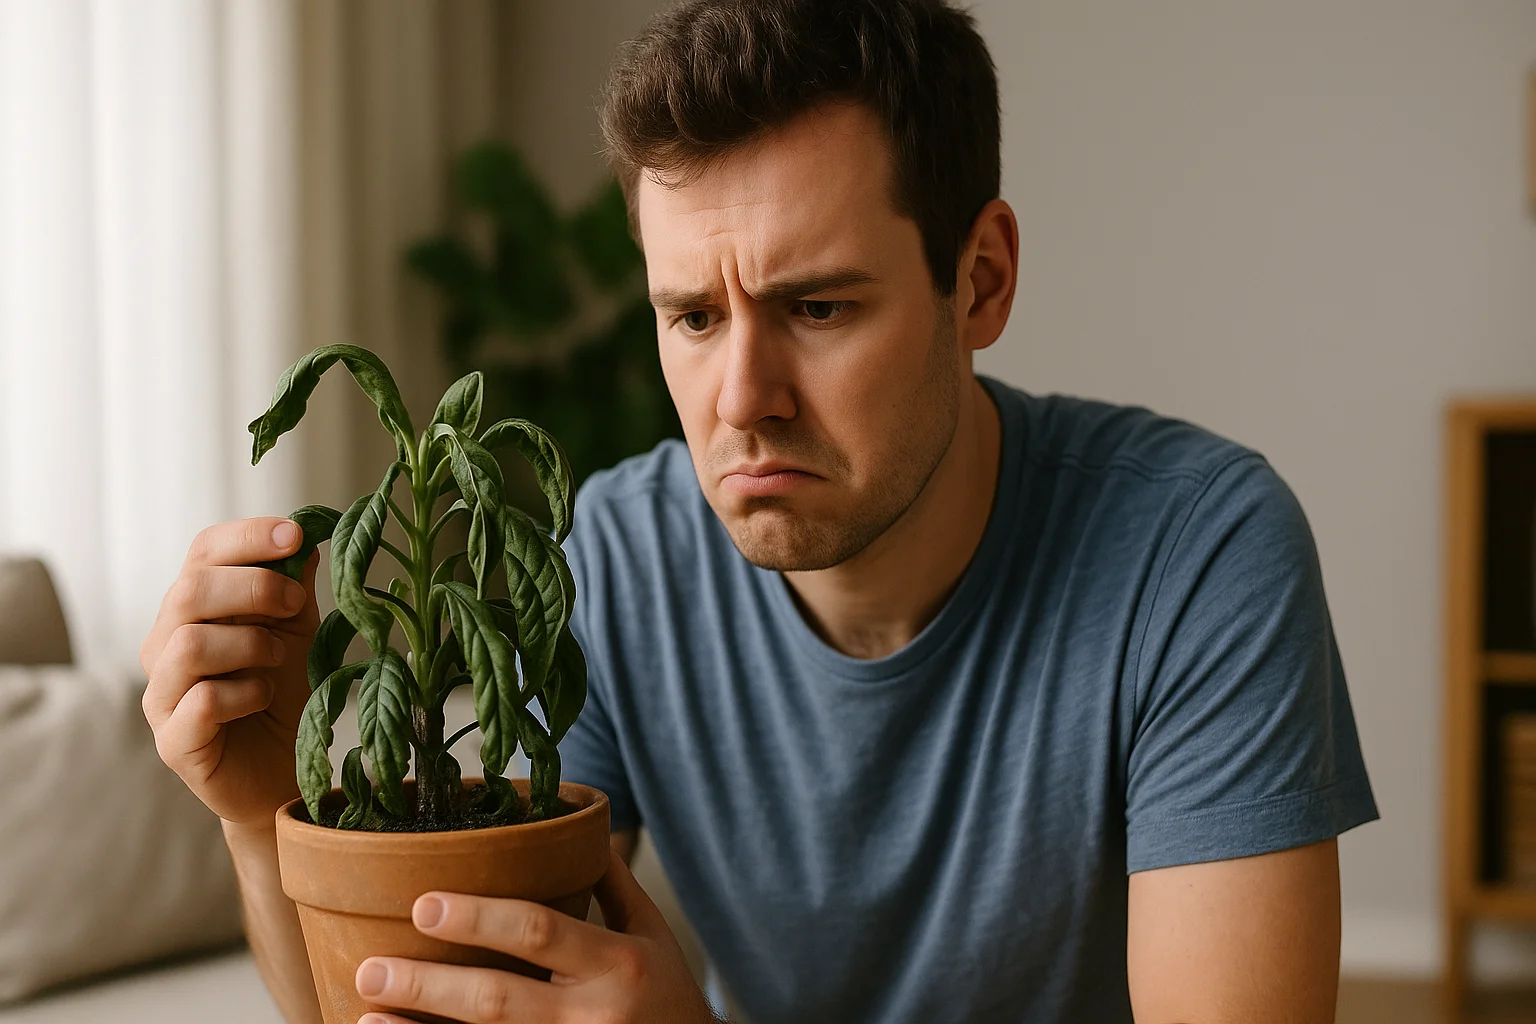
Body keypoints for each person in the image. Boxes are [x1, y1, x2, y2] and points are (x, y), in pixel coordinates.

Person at [140, 1, 1378, 1021]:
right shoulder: (617, 560)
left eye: (819, 308)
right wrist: (265, 820)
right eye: (693, 316)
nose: (742, 401)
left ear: (981, 280)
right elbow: (430, 996)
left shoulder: (1202, 551)